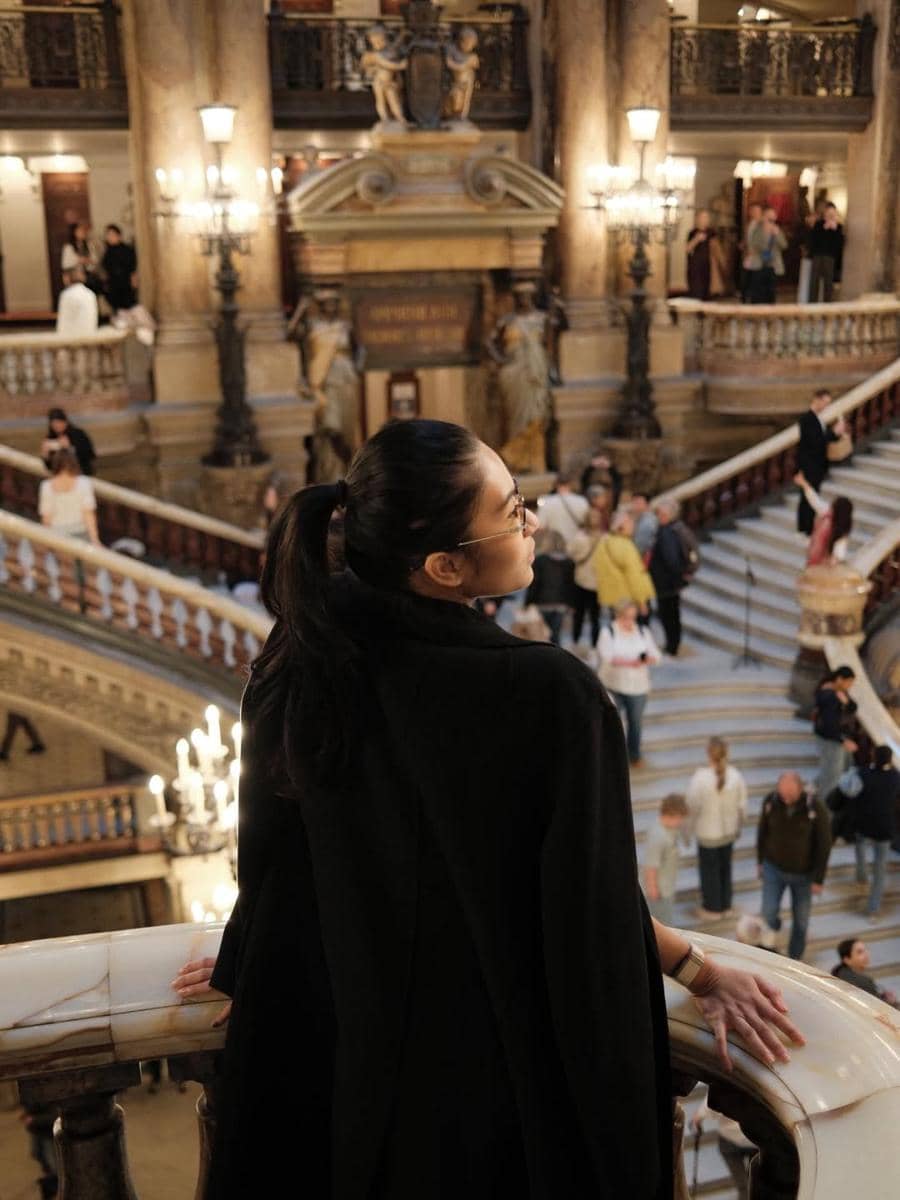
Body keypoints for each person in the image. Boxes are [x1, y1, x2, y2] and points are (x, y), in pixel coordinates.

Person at [169, 418, 802, 1199]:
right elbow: (589, 925)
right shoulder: (553, 699)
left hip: (336, 1084)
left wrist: (250, 960)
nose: (532, 521)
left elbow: (272, 869)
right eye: (511, 511)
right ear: (443, 566)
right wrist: (696, 973)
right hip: (484, 1103)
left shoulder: (299, 662)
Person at [757, 771, 832, 960]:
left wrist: (819, 878)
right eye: (782, 793)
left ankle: (794, 956)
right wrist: (760, 861)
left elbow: (824, 844)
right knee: (768, 912)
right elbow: (762, 831)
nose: (786, 798)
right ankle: (774, 929)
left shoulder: (814, 807)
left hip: (803, 875)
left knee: (801, 921)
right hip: (773, 868)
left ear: (800, 789)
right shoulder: (771, 801)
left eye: (790, 794)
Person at [687, 737, 748, 921]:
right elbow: (742, 805)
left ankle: (712, 908)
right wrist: (739, 826)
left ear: (708, 754)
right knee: (725, 868)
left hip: (707, 832)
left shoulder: (701, 777)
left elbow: (692, 805)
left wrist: (687, 831)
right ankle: (726, 905)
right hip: (728, 832)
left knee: (709, 871)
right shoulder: (736, 775)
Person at [597, 598, 661, 767]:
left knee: (635, 723)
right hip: (614, 684)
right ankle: (610, 755)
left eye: (632, 617)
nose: (629, 621)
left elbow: (656, 654)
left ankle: (634, 755)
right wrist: (629, 662)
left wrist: (647, 659)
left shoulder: (642, 631)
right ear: (619, 615)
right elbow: (608, 656)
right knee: (612, 723)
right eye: (626, 617)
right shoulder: (608, 632)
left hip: (637, 686)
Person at [852, 745, 900, 920]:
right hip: (885, 827)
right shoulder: (895, 777)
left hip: (864, 823)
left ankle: (862, 877)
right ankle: (873, 909)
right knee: (880, 869)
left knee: (860, 849)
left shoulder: (864, 773)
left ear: (874, 756)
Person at [795, 388, 846, 534]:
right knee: (807, 497)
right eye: (825, 402)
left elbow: (824, 439)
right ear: (816, 400)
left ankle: (807, 526)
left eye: (828, 403)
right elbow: (815, 441)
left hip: (818, 465)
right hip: (809, 465)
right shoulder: (806, 419)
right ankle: (805, 528)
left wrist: (837, 434)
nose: (826, 406)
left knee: (812, 495)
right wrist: (833, 433)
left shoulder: (819, 419)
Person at [592, 509, 656, 623]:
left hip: (610, 595)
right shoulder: (626, 547)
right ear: (622, 526)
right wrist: (641, 602)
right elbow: (635, 577)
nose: (633, 527)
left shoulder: (604, 541)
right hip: (627, 599)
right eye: (631, 523)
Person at [649, 499, 691, 657]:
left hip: (667, 582)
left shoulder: (666, 532)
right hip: (669, 582)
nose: (658, 516)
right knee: (670, 614)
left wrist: (674, 577)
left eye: (660, 513)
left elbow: (671, 559)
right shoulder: (668, 530)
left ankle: (672, 645)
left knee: (669, 614)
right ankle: (672, 644)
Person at [813, 665, 858, 803]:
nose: (850, 686)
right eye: (848, 682)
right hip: (832, 741)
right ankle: (826, 814)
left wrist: (846, 702)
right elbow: (829, 725)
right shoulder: (830, 697)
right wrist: (843, 741)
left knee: (840, 770)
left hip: (835, 738)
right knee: (832, 778)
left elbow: (853, 707)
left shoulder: (838, 691)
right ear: (839, 679)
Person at [39, 448, 100, 548]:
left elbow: (47, 517)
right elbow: (88, 514)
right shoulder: (84, 483)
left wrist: (46, 540)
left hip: (57, 534)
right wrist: (95, 539)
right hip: (80, 533)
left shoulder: (46, 486)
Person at [642, 793, 689, 925]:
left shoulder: (669, 829)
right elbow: (651, 866)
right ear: (672, 814)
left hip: (667, 886)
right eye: (680, 818)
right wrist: (653, 889)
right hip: (659, 892)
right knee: (663, 925)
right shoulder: (658, 836)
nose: (681, 822)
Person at [524, 529, 574, 646]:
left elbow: (534, 583)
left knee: (540, 636)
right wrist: (571, 604)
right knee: (556, 636)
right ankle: (556, 660)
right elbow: (570, 586)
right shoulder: (569, 562)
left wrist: (527, 602)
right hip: (560, 604)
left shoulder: (541, 560)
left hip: (542, 603)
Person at [793, 474, 853, 566]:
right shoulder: (830, 517)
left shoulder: (830, 518)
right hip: (819, 563)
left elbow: (815, 501)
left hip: (820, 564)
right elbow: (815, 500)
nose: (831, 507)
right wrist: (804, 484)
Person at [567, 508, 604, 648]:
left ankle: (575, 641)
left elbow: (570, 553)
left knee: (579, 614)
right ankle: (595, 645)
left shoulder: (579, 537)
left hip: (581, 581)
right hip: (598, 583)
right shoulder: (604, 538)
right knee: (596, 617)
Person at [831, 938, 898, 1007]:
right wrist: (891, 1002)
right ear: (847, 959)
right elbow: (878, 1007)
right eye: (860, 952)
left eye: (866, 950)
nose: (866, 955)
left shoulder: (840, 973)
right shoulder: (860, 981)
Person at [746, 207, 787, 304]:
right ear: (764, 217)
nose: (771, 220)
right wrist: (766, 236)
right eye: (769, 218)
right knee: (757, 293)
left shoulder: (777, 230)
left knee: (771, 292)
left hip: (772, 266)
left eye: (773, 218)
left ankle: (770, 315)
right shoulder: (757, 229)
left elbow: (784, 245)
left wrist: (776, 235)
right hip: (759, 264)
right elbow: (753, 243)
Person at [537, 470, 589, 545]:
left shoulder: (546, 502)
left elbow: (541, 527)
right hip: (578, 545)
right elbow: (589, 524)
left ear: (555, 485)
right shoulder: (582, 501)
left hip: (556, 545)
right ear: (571, 484)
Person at [807, 202, 844, 303]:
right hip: (817, 255)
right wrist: (824, 228)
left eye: (833, 213)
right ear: (825, 213)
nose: (830, 215)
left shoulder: (839, 227)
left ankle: (827, 303)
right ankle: (811, 303)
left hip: (830, 257)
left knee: (828, 282)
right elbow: (813, 239)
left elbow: (840, 244)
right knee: (814, 281)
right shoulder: (819, 224)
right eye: (829, 212)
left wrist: (835, 230)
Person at [41, 408, 96, 477]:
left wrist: (69, 448)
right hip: (61, 477)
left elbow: (90, 455)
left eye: (59, 423)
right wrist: (45, 456)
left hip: (81, 474)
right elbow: (50, 467)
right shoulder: (50, 438)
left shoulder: (78, 434)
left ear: (65, 421)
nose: (57, 426)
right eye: (54, 424)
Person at [685, 210, 725, 301]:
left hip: (708, 267)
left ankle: (706, 312)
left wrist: (721, 262)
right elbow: (687, 249)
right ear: (697, 219)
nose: (705, 220)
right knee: (696, 292)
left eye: (706, 217)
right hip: (695, 267)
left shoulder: (712, 233)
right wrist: (696, 239)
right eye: (702, 217)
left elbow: (718, 250)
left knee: (707, 293)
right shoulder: (692, 233)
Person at [100, 224, 138, 312]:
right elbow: (105, 267)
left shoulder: (126, 249)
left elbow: (132, 266)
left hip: (126, 282)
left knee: (129, 305)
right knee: (117, 308)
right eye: (108, 235)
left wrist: (134, 279)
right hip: (113, 284)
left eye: (112, 234)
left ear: (119, 235)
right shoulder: (107, 252)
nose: (109, 237)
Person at [55, 265, 99, 337]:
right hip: (90, 338)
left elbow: (63, 322)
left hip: (72, 340)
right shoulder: (90, 294)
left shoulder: (67, 295)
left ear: (67, 277)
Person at [60, 219, 99, 292]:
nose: (82, 232)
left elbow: (94, 260)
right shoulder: (69, 247)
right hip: (74, 277)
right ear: (74, 232)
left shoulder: (88, 245)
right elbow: (66, 264)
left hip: (88, 276)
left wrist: (85, 261)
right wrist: (80, 260)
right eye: (80, 230)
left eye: (83, 230)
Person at [740, 202, 763, 303]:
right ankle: (744, 300)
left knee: (756, 280)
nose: (754, 213)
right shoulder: (748, 224)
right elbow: (747, 239)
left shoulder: (762, 225)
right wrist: (743, 245)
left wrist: (756, 250)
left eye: (757, 211)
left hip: (758, 257)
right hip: (748, 256)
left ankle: (755, 302)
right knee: (745, 279)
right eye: (753, 211)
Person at [630, 492, 658, 563]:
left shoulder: (647, 522)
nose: (634, 505)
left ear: (647, 504)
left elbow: (639, 547)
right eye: (633, 502)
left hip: (640, 560)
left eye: (638, 503)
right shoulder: (641, 518)